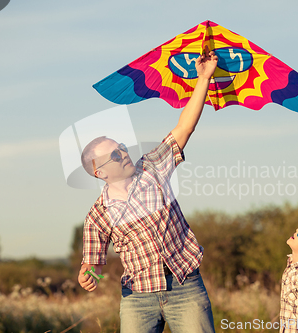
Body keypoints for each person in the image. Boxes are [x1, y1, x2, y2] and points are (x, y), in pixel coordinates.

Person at [77, 47, 218, 333]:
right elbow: (93, 263)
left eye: (122, 149)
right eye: (115, 156)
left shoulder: (153, 168)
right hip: (137, 298)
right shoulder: (98, 215)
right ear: (100, 172)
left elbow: (184, 128)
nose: (124, 154)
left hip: (185, 287)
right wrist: (88, 274)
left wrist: (203, 79)